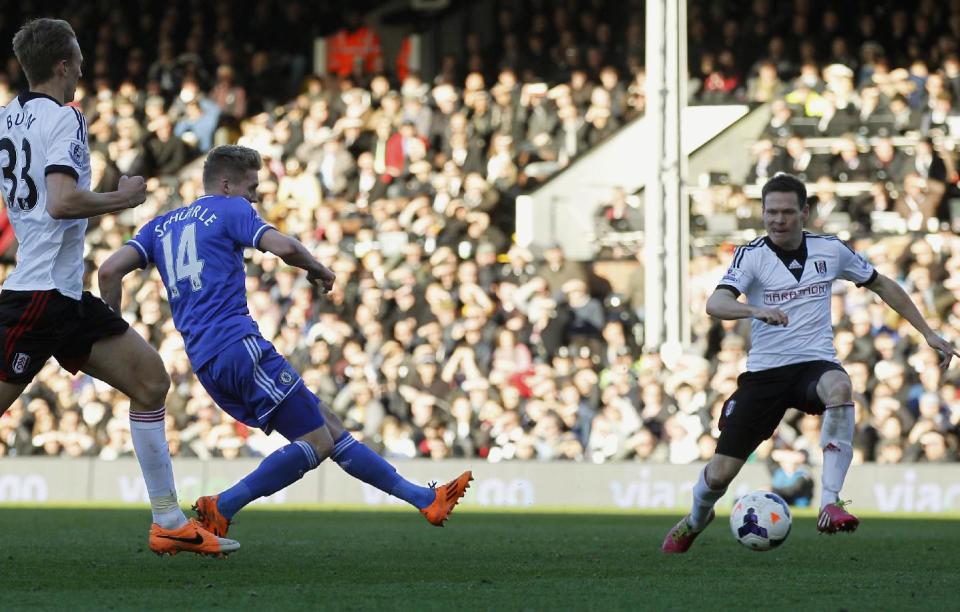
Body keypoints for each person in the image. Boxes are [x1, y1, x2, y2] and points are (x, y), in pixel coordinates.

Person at [98, 145, 472, 539]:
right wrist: (320, 269)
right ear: (226, 185)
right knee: (317, 440)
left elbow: (108, 271)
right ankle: (221, 506)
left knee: (329, 426)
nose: (255, 197)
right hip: (239, 346)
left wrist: (117, 333)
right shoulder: (230, 209)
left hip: (206, 362)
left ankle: (425, 500)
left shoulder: (158, 226)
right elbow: (286, 247)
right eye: (251, 187)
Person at [0, 18, 237, 557]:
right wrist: (122, 197)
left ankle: (167, 520)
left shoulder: (6, 118)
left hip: (63, 294)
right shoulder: (65, 118)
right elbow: (60, 201)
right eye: (78, 59)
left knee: (151, 382)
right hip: (38, 296)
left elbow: (45, 202)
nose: (84, 67)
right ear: (63, 66)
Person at [661, 172, 959, 553]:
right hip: (765, 374)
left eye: (787, 212)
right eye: (771, 212)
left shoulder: (830, 250)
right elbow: (714, 304)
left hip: (813, 364)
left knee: (840, 387)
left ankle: (830, 502)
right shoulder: (751, 255)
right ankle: (697, 518)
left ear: (804, 212)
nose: (777, 220)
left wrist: (928, 332)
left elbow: (882, 283)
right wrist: (754, 310)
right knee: (719, 475)